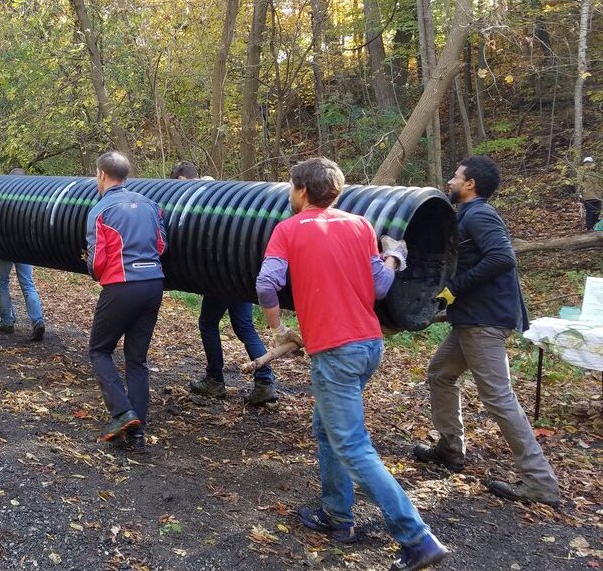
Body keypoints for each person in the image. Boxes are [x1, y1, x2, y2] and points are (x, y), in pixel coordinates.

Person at [255, 157, 447, 571]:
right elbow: (379, 286)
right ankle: (337, 514)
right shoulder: (361, 226)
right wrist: (394, 257)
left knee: (353, 445)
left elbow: (266, 283)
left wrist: (280, 328)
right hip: (368, 346)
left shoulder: (287, 230)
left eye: (292, 187)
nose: (290, 194)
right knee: (326, 429)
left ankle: (417, 538)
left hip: (335, 351)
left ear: (302, 191)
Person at [413, 156, 560, 507]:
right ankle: (450, 448)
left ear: (470, 185)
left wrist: (456, 287)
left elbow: (502, 258)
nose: (450, 179)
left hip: (485, 321)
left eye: (456, 175)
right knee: (440, 374)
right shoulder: (464, 215)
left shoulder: (480, 214)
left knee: (497, 397)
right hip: (471, 320)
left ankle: (540, 482)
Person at [170, 162, 278, 405]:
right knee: (245, 327)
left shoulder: (197, 199)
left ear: (183, 180)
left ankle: (214, 380)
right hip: (241, 273)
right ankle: (265, 382)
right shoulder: (221, 192)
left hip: (220, 273)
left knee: (208, 323)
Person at [86, 151, 167, 450]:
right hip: (153, 285)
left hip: (121, 286)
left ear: (102, 175)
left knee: (99, 350)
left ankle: (122, 412)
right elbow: (161, 245)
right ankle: (137, 431)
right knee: (136, 359)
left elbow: (97, 261)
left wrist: (95, 270)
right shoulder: (150, 205)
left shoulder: (101, 210)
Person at [0, 168, 46, 341]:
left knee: (2, 282)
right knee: (28, 284)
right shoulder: (32, 201)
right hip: (25, 247)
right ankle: (37, 321)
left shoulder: (1, 201)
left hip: (3, 247)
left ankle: (7, 321)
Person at [577, 156, 601, 231]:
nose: (588, 164)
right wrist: (579, 194)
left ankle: (594, 225)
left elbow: (600, 184)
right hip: (587, 196)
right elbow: (579, 183)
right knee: (590, 212)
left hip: (597, 196)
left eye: (589, 162)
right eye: (586, 163)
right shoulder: (581, 172)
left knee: (597, 212)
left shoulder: (596, 173)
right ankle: (589, 227)